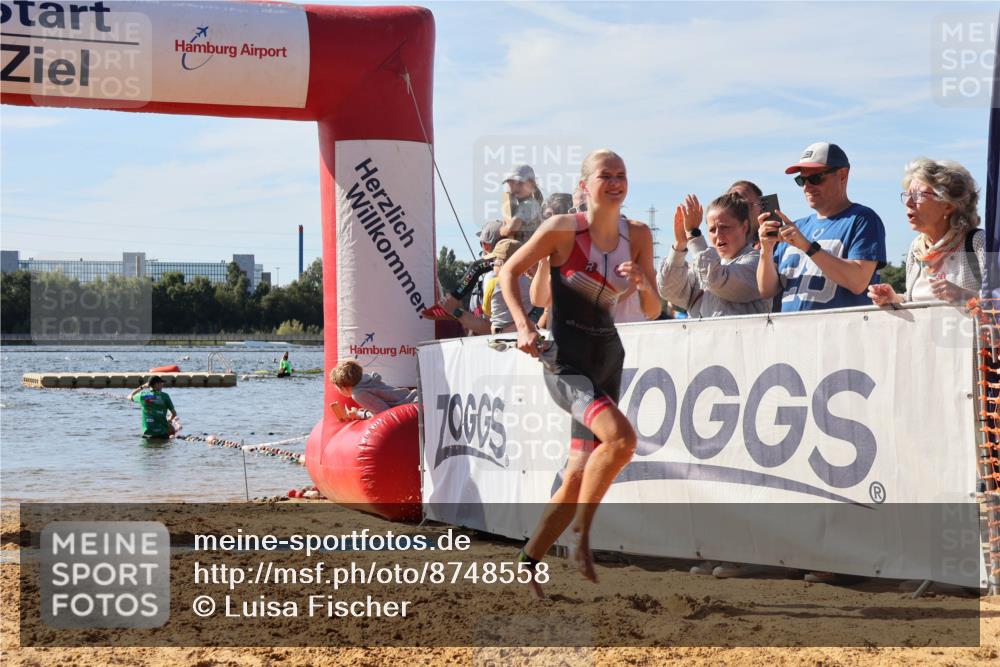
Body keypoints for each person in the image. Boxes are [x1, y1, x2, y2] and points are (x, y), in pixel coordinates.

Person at [498, 148, 659, 595]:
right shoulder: (563, 230)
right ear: (583, 187)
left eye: (622, 175)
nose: (616, 182)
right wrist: (524, 325)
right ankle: (582, 536)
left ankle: (527, 561)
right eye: (605, 175)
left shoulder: (639, 235)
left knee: (575, 476)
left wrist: (644, 285)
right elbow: (510, 271)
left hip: (608, 360)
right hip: (566, 364)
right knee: (622, 440)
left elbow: (653, 309)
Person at [757, 142, 887, 312]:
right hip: (792, 334)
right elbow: (766, 291)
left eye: (815, 178)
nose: (807, 186)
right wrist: (765, 250)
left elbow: (858, 282)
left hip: (839, 333)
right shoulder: (796, 227)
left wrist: (807, 246)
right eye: (801, 180)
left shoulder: (862, 219)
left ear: (842, 175)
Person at [869, 158, 983, 306]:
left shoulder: (979, 242)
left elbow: (997, 300)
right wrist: (894, 299)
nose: (909, 203)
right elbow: (917, 303)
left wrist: (965, 296)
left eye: (918, 196)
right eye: (907, 195)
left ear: (948, 205)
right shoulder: (917, 249)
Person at [658, 192, 769, 318]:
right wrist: (680, 245)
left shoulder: (759, 263)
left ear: (744, 226)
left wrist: (694, 234)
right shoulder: (702, 264)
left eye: (724, 227)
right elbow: (670, 291)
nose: (718, 235)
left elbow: (717, 279)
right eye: (712, 230)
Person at [438, 239, 541, 334]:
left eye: (494, 259)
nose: (491, 263)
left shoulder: (494, 284)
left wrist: (455, 311)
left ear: (500, 262)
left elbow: (489, 328)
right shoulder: (533, 280)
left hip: (510, 344)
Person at [328, 360, 417, 420]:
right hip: (415, 397)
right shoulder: (365, 380)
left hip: (413, 405)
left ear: (343, 387)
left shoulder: (357, 393)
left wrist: (358, 415)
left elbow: (384, 414)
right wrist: (365, 410)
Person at [499, 164, 545, 242]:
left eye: (520, 183)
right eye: (511, 183)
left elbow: (511, 229)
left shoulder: (528, 205)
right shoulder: (528, 204)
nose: (515, 187)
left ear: (532, 183)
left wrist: (501, 230)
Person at [727, 180, 763, 246]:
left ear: (761, 208)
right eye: (730, 205)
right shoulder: (722, 248)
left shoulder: (782, 246)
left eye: (743, 203)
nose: (736, 209)